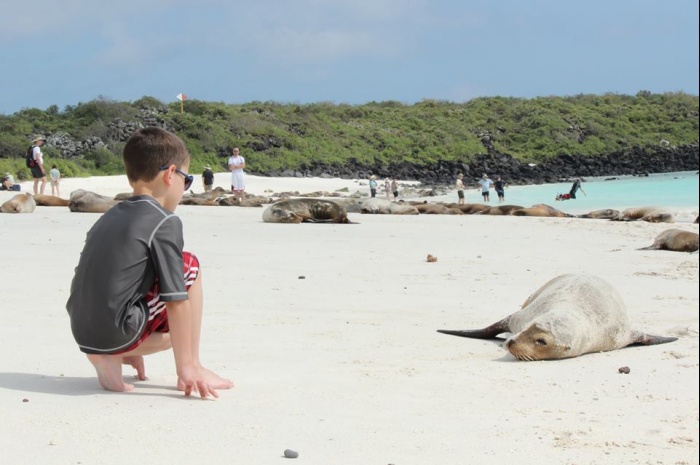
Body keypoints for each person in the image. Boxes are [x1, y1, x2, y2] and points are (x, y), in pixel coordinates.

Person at [65, 127, 233, 398]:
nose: (184, 189)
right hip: (117, 332)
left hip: (82, 331)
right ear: (170, 174)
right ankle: (192, 366)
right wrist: (185, 367)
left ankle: (112, 354)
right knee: (189, 265)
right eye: (187, 180)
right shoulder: (164, 221)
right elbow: (175, 299)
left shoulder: (108, 217)